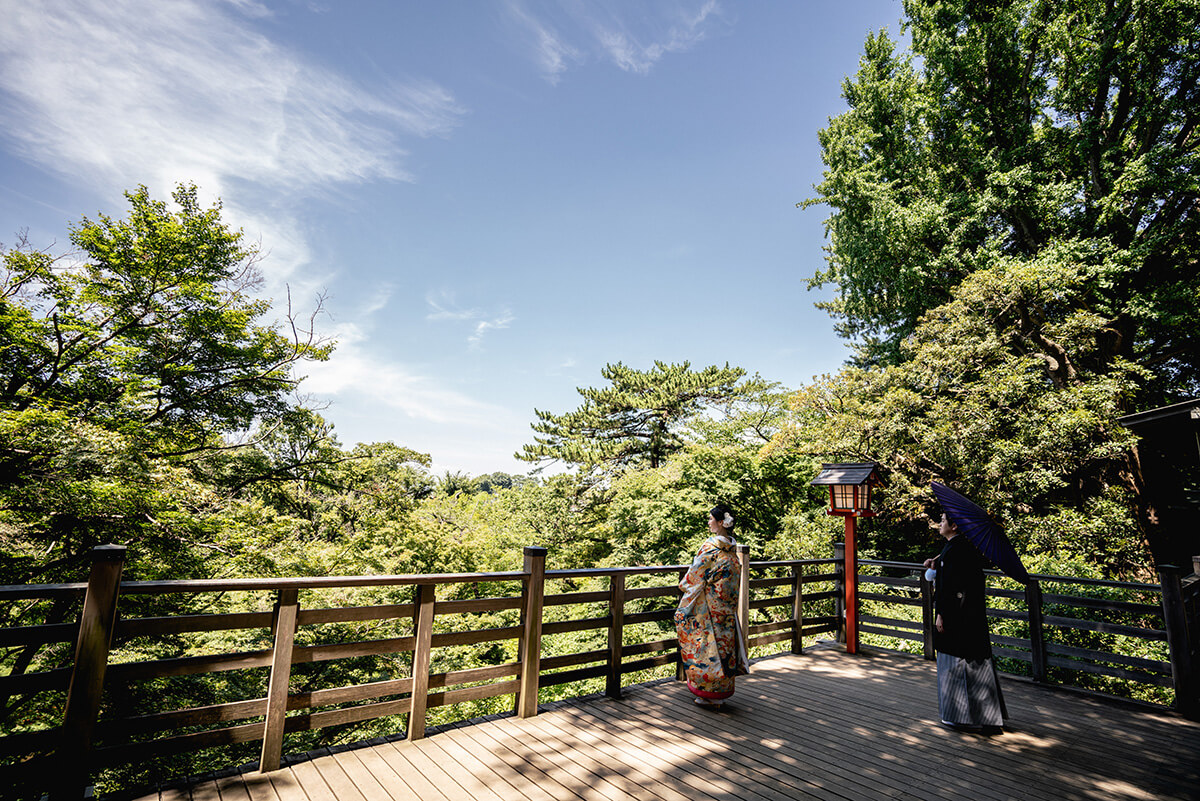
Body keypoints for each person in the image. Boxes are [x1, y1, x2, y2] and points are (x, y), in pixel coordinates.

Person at [923, 512, 1006, 733]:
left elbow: (953, 588)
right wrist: (934, 565)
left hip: (958, 616)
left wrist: (942, 613)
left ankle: (956, 715)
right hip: (969, 616)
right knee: (975, 661)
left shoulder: (956, 551)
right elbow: (944, 578)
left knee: (957, 662)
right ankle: (988, 718)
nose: (939, 524)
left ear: (955, 526)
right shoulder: (959, 548)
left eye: (943, 520)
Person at [675, 503, 749, 708]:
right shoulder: (732, 550)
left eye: (710, 519)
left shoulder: (711, 548)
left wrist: (684, 587)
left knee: (706, 649)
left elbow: (695, 574)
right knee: (724, 650)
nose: (708, 522)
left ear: (720, 523)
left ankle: (707, 694)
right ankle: (721, 694)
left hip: (709, 609)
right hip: (727, 608)